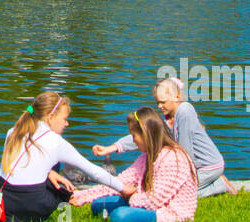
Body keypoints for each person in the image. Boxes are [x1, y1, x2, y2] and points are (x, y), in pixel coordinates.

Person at [0, 91, 134, 222]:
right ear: (51, 116)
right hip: (31, 205)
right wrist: (123, 189)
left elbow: (23, 166)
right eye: (65, 119)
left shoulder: (13, 131)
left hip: (2, 200)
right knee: (63, 193)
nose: (67, 124)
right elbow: (94, 172)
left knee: (49, 173)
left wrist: (49, 173)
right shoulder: (56, 141)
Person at [96, 77, 235, 198]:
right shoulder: (168, 118)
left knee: (180, 194)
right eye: (157, 102)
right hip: (197, 166)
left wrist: (182, 176)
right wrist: (112, 148)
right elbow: (148, 135)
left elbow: (186, 151)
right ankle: (209, 182)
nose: (159, 106)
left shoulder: (185, 111)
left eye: (162, 102)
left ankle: (219, 185)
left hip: (208, 165)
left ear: (176, 97)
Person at [84, 107, 197, 222]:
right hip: (146, 202)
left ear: (145, 134)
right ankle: (133, 209)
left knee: (119, 215)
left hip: (169, 212)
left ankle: (134, 211)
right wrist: (82, 195)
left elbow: (155, 200)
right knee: (98, 205)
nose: (133, 141)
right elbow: (120, 181)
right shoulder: (145, 158)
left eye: (134, 136)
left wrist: (130, 197)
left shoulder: (174, 158)